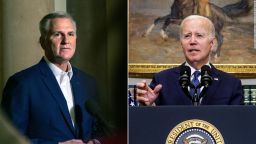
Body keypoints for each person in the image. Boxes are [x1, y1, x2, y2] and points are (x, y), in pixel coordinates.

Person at [1, 12, 101, 144]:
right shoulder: (22, 83)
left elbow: (99, 128)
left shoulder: (88, 82)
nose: (66, 41)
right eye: (58, 34)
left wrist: (98, 141)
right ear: (43, 42)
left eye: (70, 34)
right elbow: (9, 140)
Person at [136, 15, 244, 105]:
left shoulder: (231, 84)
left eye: (199, 35)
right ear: (181, 43)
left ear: (212, 43)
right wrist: (148, 106)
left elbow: (236, 124)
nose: (192, 41)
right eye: (187, 36)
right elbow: (151, 124)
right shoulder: (162, 81)